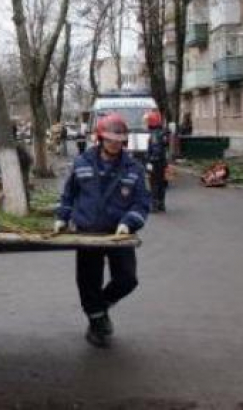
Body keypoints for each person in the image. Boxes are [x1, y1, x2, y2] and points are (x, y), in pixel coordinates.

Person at [53, 113, 150, 349]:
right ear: (100, 138)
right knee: (88, 282)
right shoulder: (82, 163)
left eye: (119, 140)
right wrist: (61, 218)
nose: (115, 144)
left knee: (127, 279)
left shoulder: (133, 169)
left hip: (118, 235)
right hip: (87, 232)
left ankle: (100, 306)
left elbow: (141, 204)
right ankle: (97, 324)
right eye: (110, 139)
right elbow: (69, 195)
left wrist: (129, 222)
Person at [144, 110, 169, 212]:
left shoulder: (154, 134)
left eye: (147, 121)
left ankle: (154, 205)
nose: (146, 124)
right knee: (161, 183)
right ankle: (161, 204)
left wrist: (150, 161)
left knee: (153, 183)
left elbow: (155, 149)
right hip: (162, 162)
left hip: (155, 162)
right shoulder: (162, 133)